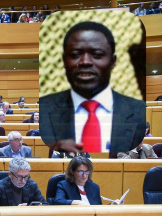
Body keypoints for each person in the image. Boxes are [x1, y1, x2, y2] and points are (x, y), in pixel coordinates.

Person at [39, 21, 146, 153]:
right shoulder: (46, 108)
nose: (85, 62)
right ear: (64, 61)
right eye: (75, 55)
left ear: (113, 62)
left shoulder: (137, 110)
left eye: (97, 54)